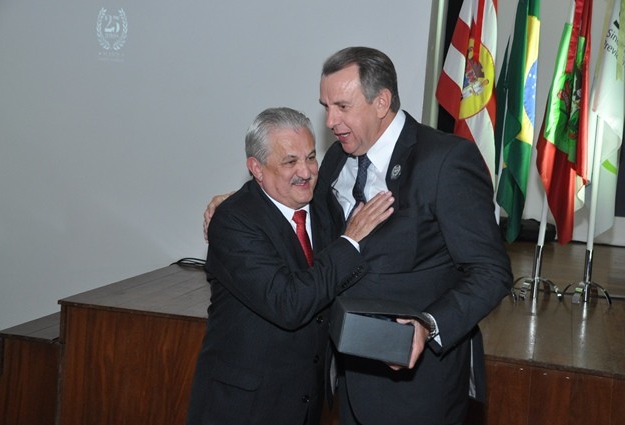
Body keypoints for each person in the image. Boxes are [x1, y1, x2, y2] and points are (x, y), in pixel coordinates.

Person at [204, 47, 513, 425]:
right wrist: (237, 201)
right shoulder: (337, 158)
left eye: (342, 107)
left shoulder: (444, 161)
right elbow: (293, 190)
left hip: (415, 391)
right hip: (344, 383)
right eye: (326, 107)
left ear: (381, 102)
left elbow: (491, 272)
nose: (330, 121)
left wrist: (429, 325)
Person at [185, 107, 394, 425]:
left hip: (305, 405)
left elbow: (337, 284)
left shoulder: (321, 203)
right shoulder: (232, 222)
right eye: (290, 162)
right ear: (256, 168)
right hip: (243, 408)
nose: (306, 172)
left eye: (310, 157)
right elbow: (289, 303)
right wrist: (349, 241)